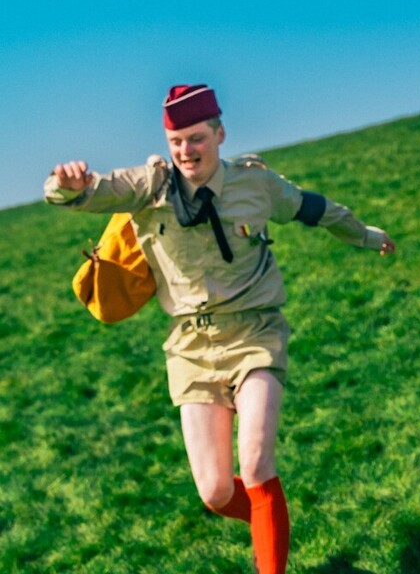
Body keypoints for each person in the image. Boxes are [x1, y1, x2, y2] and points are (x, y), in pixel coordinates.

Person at [44, 84, 395, 574]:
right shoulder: (150, 186)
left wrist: (366, 235)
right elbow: (84, 194)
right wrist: (68, 184)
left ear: (219, 133)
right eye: (178, 142)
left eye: (197, 139)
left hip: (256, 332)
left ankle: (269, 553)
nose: (187, 151)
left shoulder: (256, 183)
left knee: (254, 465)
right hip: (190, 346)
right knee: (215, 491)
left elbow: (315, 209)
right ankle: (267, 519)